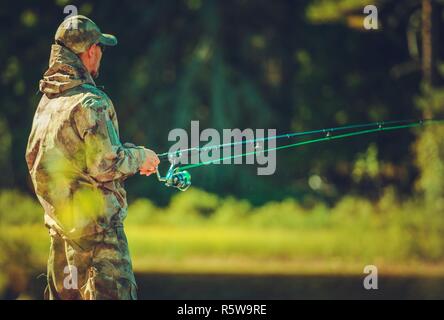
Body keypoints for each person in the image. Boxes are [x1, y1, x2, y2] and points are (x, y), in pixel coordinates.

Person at [25, 15, 159, 300]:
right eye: (100, 47)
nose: (100, 54)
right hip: (100, 239)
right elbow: (105, 164)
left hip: (61, 237)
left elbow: (34, 160)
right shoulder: (91, 102)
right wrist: (141, 157)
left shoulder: (48, 102)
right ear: (90, 51)